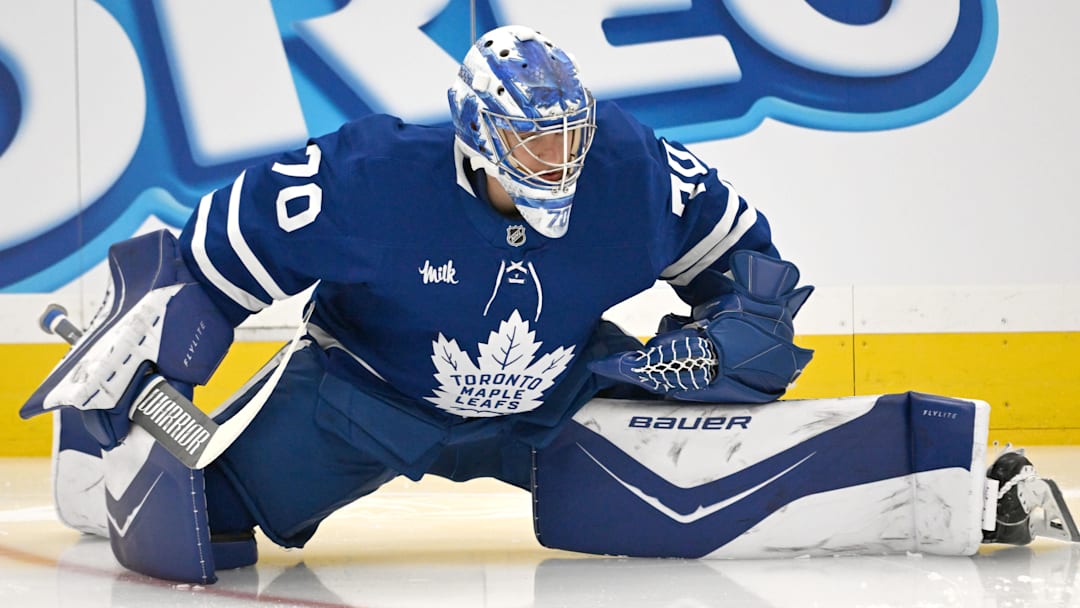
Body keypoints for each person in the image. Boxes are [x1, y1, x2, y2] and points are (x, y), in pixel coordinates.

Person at [20, 25, 1076, 584]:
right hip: (359, 400)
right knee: (188, 519)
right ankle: (88, 455)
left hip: (554, 401)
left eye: (567, 133)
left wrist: (701, 354)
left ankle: (959, 481)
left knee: (705, 499)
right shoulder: (367, 177)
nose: (557, 157)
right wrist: (151, 392)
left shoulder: (635, 170)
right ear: (477, 135)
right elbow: (200, 275)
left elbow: (757, 286)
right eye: (531, 140)